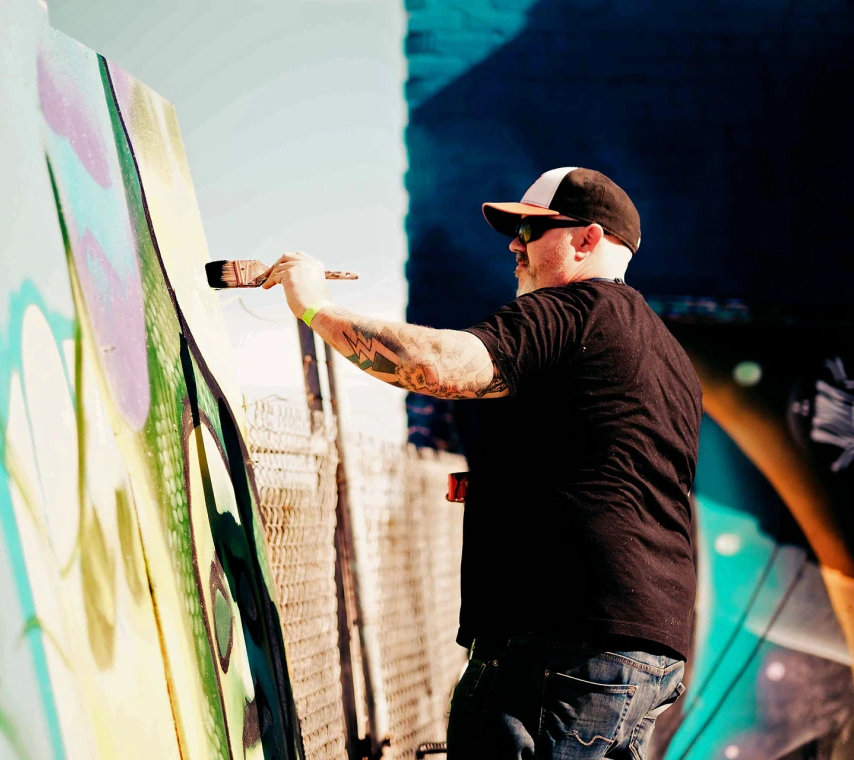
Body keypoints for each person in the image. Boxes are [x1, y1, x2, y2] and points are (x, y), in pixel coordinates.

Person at [261, 167, 701, 759]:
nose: (514, 245)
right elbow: (618, 469)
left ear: (589, 239)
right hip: (637, 648)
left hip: (563, 644)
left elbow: (438, 365)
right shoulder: (667, 354)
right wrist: (509, 482)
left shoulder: (571, 311)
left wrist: (314, 306)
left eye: (531, 229)